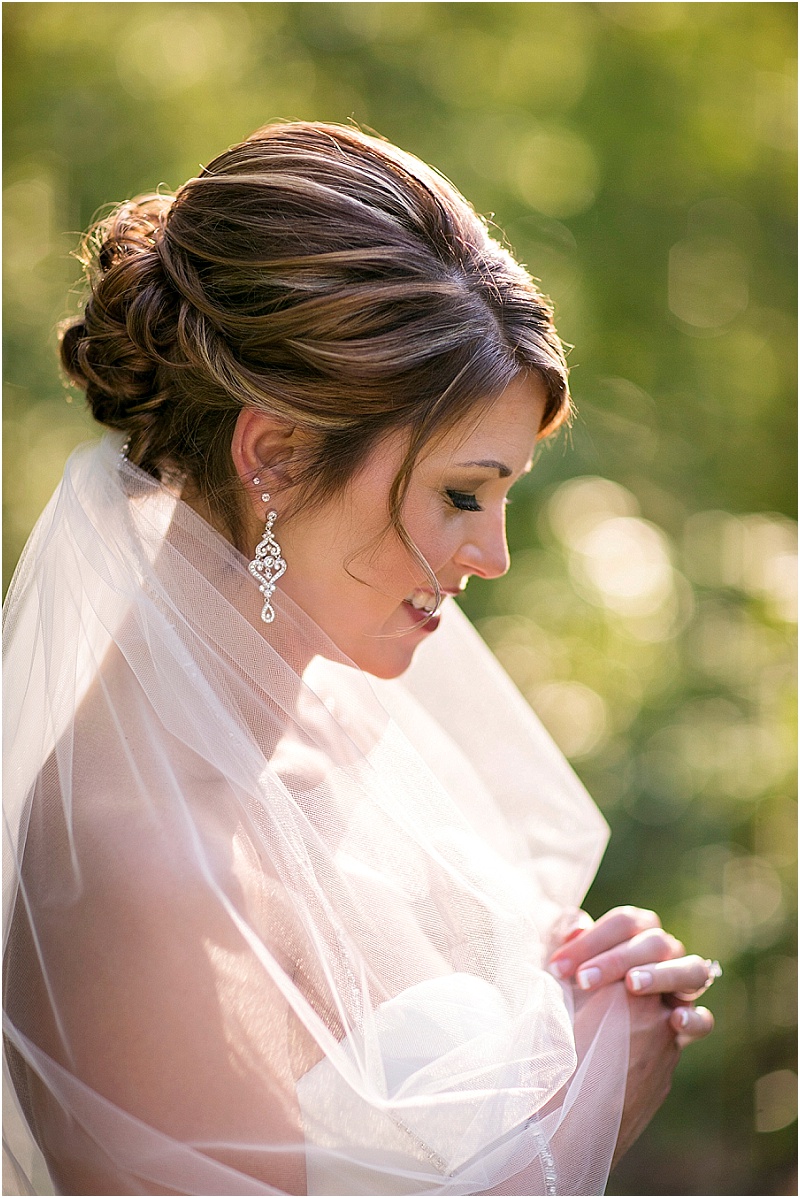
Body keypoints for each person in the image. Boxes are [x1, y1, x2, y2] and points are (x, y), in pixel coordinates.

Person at [3, 122, 718, 1197]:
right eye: (460, 493)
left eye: (502, 494)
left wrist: (585, 1003)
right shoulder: (139, 861)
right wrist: (593, 1107)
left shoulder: (356, 716)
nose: (493, 555)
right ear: (277, 454)